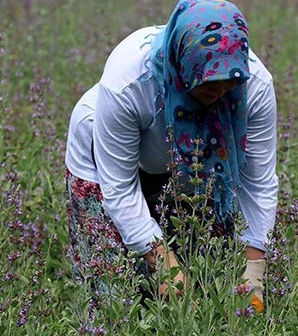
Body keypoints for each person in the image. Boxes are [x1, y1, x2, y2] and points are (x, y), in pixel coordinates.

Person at [64, 0, 278, 313]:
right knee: (113, 294)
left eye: (229, 80)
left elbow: (257, 182)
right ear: (184, 61)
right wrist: (162, 262)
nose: (219, 90)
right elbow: (119, 187)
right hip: (109, 162)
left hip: (193, 162)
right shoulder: (130, 82)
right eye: (208, 79)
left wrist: (254, 269)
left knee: (209, 282)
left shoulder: (253, 86)